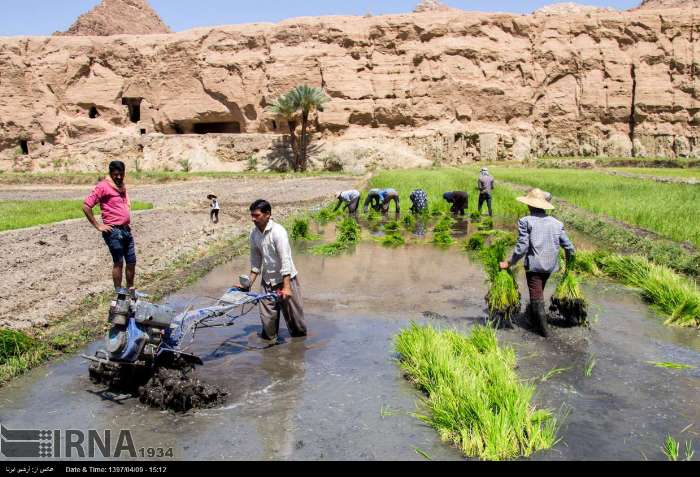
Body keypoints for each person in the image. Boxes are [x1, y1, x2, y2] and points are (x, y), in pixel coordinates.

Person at [499, 188, 576, 338]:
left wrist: (509, 263)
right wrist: (569, 268)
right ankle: (535, 318)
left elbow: (522, 248)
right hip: (551, 266)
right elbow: (570, 248)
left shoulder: (525, 221)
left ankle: (544, 332)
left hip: (534, 266)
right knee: (539, 292)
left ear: (530, 205)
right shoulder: (557, 223)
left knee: (536, 297)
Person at [240, 199, 307, 341]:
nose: (253, 219)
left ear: (268, 214)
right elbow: (256, 261)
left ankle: (299, 349)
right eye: (252, 215)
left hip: (286, 280)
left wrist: (287, 288)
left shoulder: (278, 232)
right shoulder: (254, 234)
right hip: (267, 281)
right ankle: (270, 345)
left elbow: (285, 259)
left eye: (256, 215)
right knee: (267, 321)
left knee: (296, 324)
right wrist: (248, 283)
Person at [82, 161, 136, 291]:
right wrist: (98, 226)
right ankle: (119, 292)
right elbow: (86, 206)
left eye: (121, 174)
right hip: (113, 232)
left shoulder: (121, 186)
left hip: (125, 230)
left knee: (131, 261)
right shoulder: (103, 186)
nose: (118, 177)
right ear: (111, 173)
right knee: (118, 262)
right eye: (116, 174)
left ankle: (130, 289)